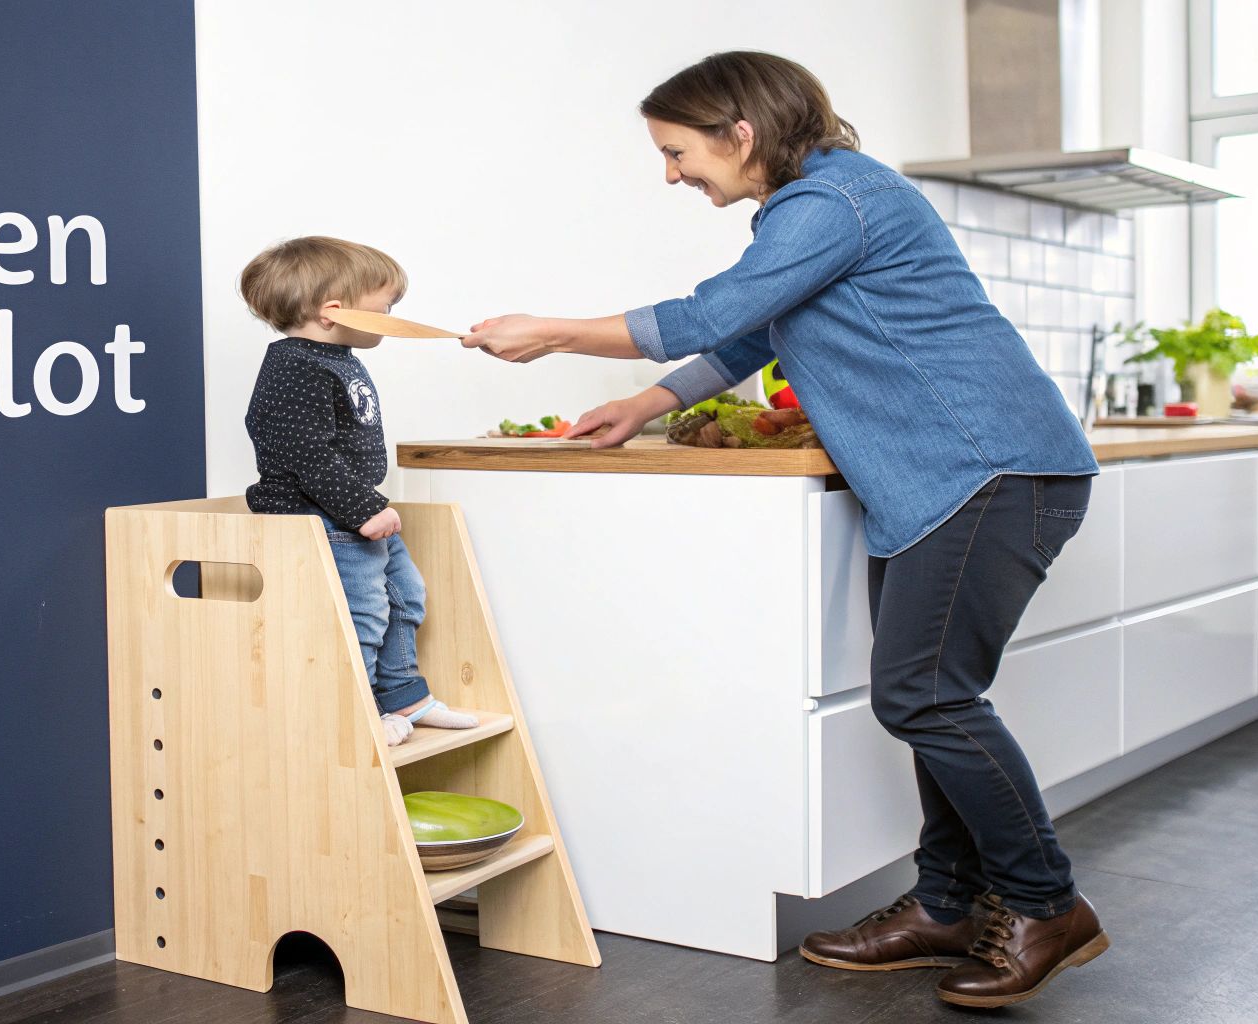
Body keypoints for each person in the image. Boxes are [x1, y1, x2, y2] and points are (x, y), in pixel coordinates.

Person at [462, 51, 1109, 1009]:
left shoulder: (831, 202)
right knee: (934, 696)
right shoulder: (817, 208)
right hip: (941, 483)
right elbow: (751, 332)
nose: (672, 174)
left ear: (742, 134)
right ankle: (945, 906)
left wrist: (552, 331)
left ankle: (1047, 905)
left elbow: (710, 310)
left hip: (988, 470)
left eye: (679, 153)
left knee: (926, 698)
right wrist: (644, 401)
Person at [240, 236, 479, 746]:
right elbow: (304, 451)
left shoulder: (335, 357)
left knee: (405, 595)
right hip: (325, 515)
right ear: (333, 311)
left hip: (350, 511)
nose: (393, 314)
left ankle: (404, 695)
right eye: (386, 305)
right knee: (362, 613)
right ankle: (362, 709)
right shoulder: (295, 366)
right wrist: (363, 508)